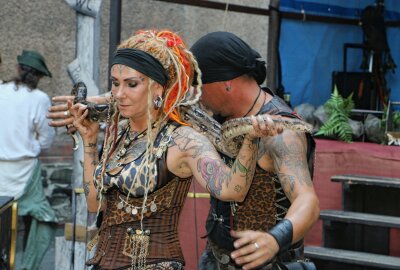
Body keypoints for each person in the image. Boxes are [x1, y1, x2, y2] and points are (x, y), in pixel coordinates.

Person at [61, 29, 273, 270]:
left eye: (131, 84)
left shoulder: (183, 139)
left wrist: (250, 141)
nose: (119, 94)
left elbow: (232, 189)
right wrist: (89, 141)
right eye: (115, 83)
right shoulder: (118, 133)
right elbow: (93, 204)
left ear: (158, 88)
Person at [190, 32, 319, 270]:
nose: (196, 95)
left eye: (198, 85)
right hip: (215, 260)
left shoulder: (280, 130)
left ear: (225, 83)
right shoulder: (219, 119)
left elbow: (308, 200)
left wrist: (274, 239)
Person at [0, 50, 56, 270]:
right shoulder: (40, 98)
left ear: (18, 69)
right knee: (40, 218)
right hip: (25, 169)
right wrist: (31, 144)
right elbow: (46, 139)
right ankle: (27, 265)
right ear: (40, 76)